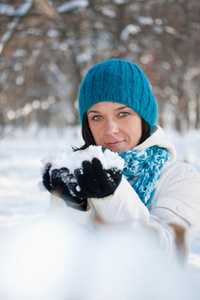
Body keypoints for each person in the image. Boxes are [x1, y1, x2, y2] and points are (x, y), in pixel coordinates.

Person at [42, 59, 200, 259]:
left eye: (123, 114)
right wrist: (72, 207)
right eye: (97, 117)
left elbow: (165, 257)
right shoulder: (80, 175)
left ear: (144, 117)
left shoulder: (180, 178)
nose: (110, 130)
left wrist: (112, 194)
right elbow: (56, 260)